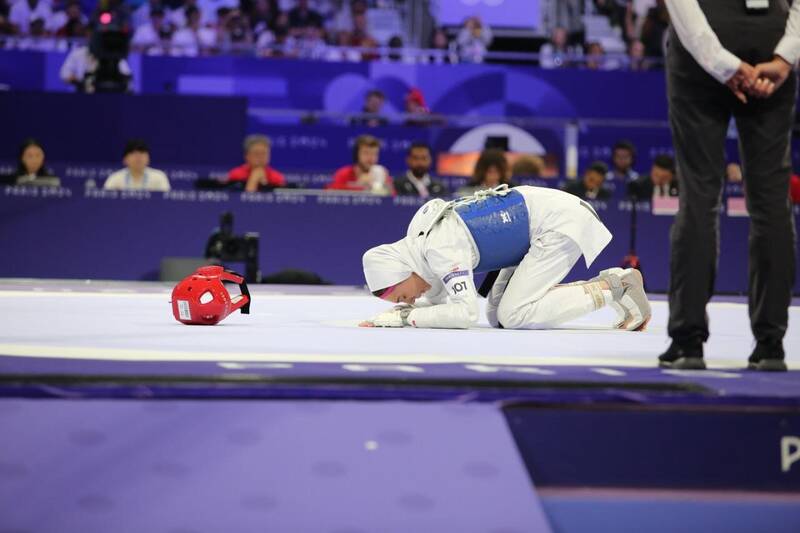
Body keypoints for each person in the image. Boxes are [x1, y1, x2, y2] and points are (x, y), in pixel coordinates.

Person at [660, 0, 800, 371]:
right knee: (771, 203)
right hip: (772, 34)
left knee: (699, 197)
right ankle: (771, 345)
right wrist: (787, 55)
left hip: (704, 34)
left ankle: (688, 342)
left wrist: (720, 61)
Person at [360, 185, 651, 331]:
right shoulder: (420, 246)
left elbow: (463, 314)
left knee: (514, 315)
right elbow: (437, 304)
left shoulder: (438, 247)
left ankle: (617, 286)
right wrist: (399, 316)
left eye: (401, 296)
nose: (408, 301)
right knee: (498, 318)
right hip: (539, 223)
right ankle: (614, 288)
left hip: (558, 223)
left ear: (403, 272)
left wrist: (407, 317)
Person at [328, 134, 393, 195]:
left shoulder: (381, 173)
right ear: (356, 155)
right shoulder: (344, 173)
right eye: (366, 153)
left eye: (374, 154)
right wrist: (359, 186)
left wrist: (385, 186)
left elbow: (393, 199)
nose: (371, 158)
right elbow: (329, 195)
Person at [104, 139, 171, 191]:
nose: (138, 156)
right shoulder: (115, 178)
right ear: (125, 159)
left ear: (148, 158)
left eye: (142, 152)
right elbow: (106, 203)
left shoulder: (159, 177)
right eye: (133, 152)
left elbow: (166, 204)